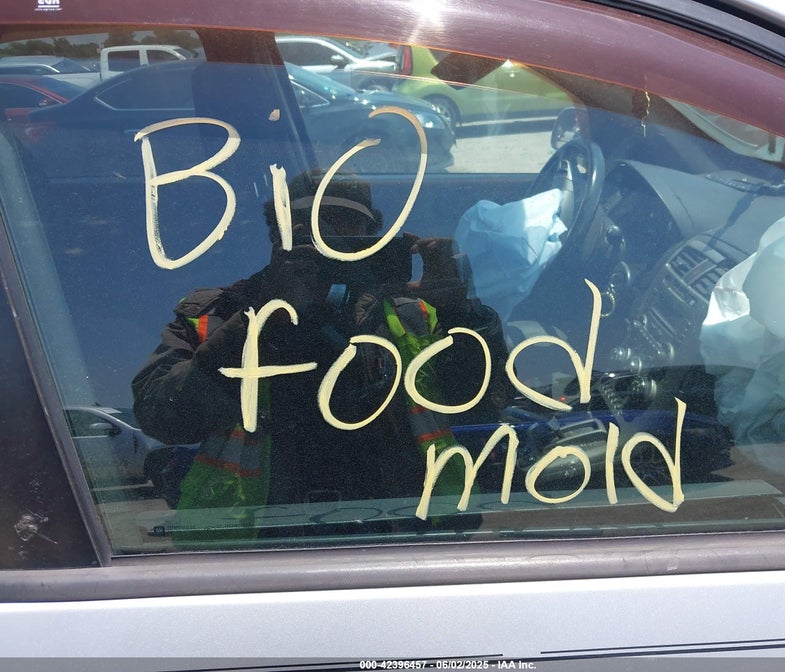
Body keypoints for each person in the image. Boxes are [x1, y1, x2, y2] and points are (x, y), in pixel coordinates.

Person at [131, 170, 507, 537]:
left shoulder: (415, 316)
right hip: (258, 555)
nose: (332, 242)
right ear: (277, 234)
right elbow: (163, 419)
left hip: (407, 542)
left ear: (372, 234)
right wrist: (260, 319)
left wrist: (461, 314)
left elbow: (483, 406)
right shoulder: (218, 316)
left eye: (348, 226)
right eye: (314, 225)